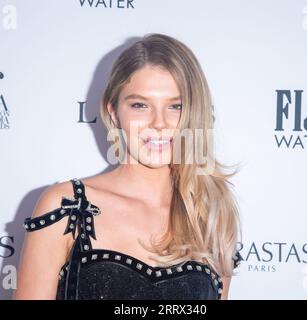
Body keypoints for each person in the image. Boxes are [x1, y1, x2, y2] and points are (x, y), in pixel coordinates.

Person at [14, 33, 242, 300]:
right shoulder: (67, 207)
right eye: (140, 105)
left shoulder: (211, 215)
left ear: (196, 112)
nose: (159, 123)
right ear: (113, 111)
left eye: (175, 106)